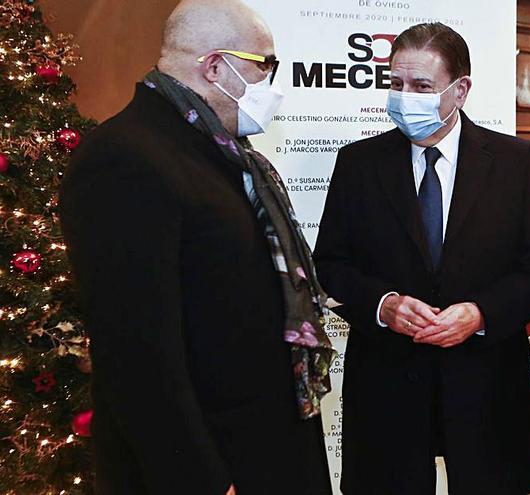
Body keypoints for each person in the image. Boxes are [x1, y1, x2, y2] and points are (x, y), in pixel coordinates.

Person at [59, 1, 335, 493]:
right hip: (211, 460)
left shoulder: (222, 152)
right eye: (264, 66)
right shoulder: (126, 158)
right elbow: (137, 353)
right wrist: (200, 479)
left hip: (266, 441)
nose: (270, 84)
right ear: (214, 66)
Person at [313, 22, 530, 495]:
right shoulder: (358, 163)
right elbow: (330, 265)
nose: (404, 98)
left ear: (460, 90)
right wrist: (383, 305)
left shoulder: (514, 161)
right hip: (388, 385)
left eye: (421, 86)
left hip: (485, 382)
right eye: (395, 84)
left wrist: (482, 312)